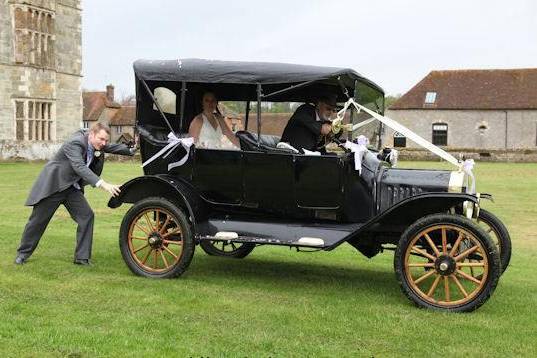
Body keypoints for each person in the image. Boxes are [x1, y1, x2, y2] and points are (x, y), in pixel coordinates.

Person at [14, 123, 137, 266]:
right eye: (101, 139)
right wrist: (103, 184)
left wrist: (131, 150)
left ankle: (82, 258)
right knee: (37, 221)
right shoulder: (75, 143)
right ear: (91, 135)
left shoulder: (96, 142)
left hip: (72, 189)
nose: (104, 143)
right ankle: (22, 254)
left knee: (86, 216)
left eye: (106, 140)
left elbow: (112, 147)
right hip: (55, 186)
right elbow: (79, 166)